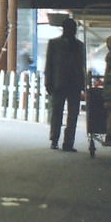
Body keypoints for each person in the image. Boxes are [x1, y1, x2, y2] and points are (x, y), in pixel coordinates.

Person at [45, 18, 86, 151]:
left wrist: (83, 83)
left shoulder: (79, 45)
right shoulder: (54, 43)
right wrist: (48, 82)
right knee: (58, 113)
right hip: (60, 83)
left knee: (71, 114)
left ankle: (67, 142)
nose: (72, 31)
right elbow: (49, 65)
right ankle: (55, 140)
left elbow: (82, 66)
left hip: (71, 83)